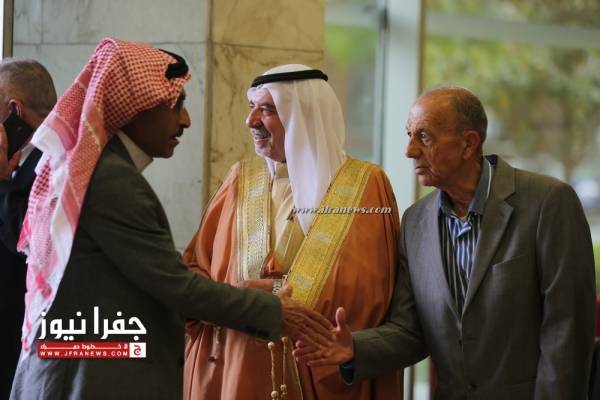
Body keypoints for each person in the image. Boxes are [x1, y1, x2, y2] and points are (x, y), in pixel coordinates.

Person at [9, 39, 332, 400]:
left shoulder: (98, 170)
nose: (186, 120)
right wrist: (274, 311)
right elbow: (178, 286)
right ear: (137, 106)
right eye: (176, 104)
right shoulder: (111, 179)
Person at [295, 86, 597, 399]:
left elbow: (567, 330)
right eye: (409, 135)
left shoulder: (548, 202)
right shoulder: (415, 223)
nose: (409, 150)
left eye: (424, 136)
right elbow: (410, 331)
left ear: (469, 143)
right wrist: (353, 348)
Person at [183, 64, 403, 400]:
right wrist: (234, 298)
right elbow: (196, 266)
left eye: (267, 109)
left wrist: (277, 294)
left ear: (304, 114)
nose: (251, 121)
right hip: (237, 368)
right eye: (251, 107)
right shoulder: (240, 179)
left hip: (317, 371)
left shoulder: (365, 184)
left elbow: (370, 292)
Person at [0, 58, 56, 400]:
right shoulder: (15, 159)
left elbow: (27, 242)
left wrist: (2, 184)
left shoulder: (53, 162)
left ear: (14, 110)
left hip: (20, 337)